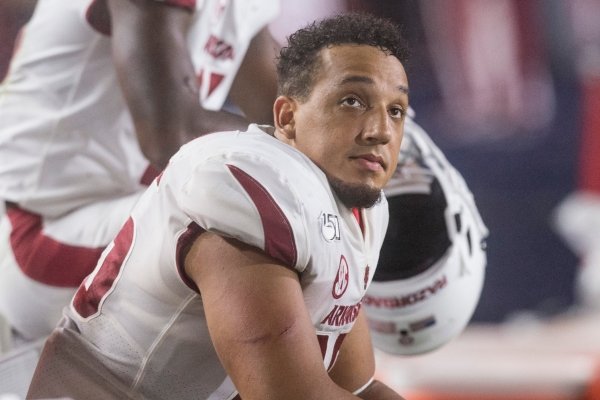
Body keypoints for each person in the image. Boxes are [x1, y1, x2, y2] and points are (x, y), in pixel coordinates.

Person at [28, 12, 410, 400]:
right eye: (352, 101)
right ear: (287, 116)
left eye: (396, 110)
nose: (380, 130)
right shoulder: (251, 189)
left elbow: (360, 387)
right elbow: (292, 396)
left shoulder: (357, 209)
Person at [0, 0, 280, 343]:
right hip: (40, 233)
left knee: (317, 189)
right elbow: (172, 134)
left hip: (123, 215)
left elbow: (289, 109)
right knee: (244, 215)